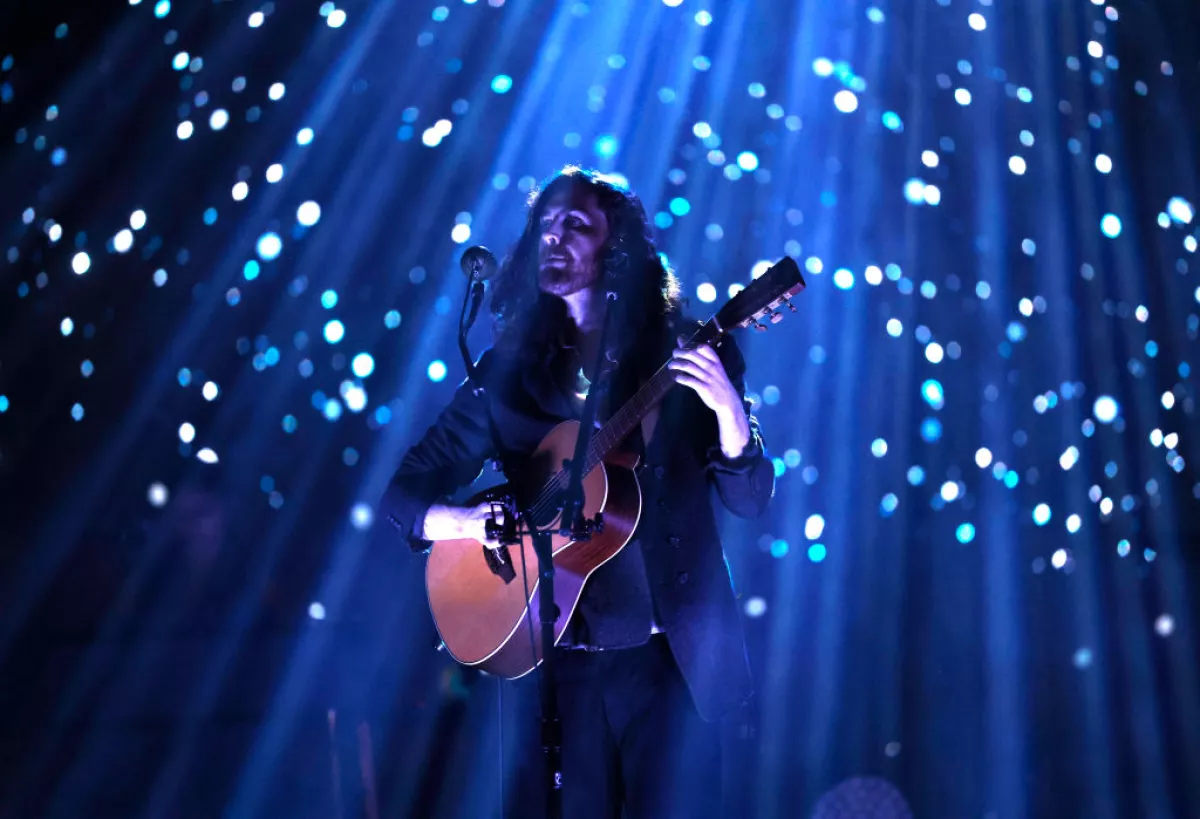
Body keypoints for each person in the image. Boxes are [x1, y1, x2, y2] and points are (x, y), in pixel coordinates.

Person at [379, 165, 775, 818]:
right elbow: (404, 495)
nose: (553, 237)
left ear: (615, 248)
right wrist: (472, 525)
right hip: (562, 667)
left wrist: (729, 408)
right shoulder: (509, 374)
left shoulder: (684, 351)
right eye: (546, 223)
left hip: (675, 661)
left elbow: (751, 497)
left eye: (576, 225)